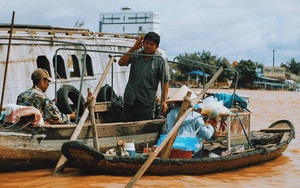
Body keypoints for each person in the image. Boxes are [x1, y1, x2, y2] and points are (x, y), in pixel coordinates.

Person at [118, 31, 170, 122]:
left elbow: (165, 81)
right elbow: (121, 63)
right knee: (125, 125)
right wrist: (134, 48)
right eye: (146, 43)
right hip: (130, 99)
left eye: (151, 44)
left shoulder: (160, 60)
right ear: (143, 43)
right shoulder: (136, 54)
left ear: (156, 46)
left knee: (142, 128)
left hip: (146, 102)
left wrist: (164, 101)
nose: (148, 46)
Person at [162, 85, 215, 158]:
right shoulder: (196, 116)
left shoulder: (170, 114)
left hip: (172, 145)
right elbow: (205, 135)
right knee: (200, 143)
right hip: (191, 148)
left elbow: (167, 130)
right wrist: (211, 127)